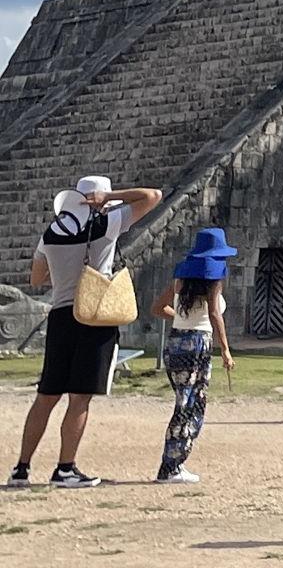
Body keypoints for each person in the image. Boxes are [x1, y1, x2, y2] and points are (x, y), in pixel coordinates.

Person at [8, 175, 162, 489]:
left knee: (46, 396)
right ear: (99, 197)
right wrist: (111, 197)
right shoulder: (106, 225)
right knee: (80, 399)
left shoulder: (51, 232)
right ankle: (65, 468)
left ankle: (21, 469)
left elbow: (37, 278)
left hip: (61, 316)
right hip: (94, 315)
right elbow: (152, 195)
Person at [148, 227, 236, 483]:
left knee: (184, 403)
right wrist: (226, 350)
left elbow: (157, 307)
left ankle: (175, 462)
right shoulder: (214, 279)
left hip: (176, 341)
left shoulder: (181, 278)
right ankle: (171, 466)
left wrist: (183, 319)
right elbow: (214, 314)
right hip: (197, 344)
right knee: (191, 406)